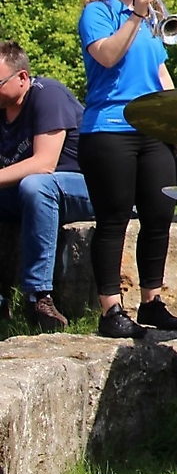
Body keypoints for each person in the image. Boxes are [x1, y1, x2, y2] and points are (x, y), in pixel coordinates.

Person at [76, 0, 177, 338]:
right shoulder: (98, 12)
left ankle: (151, 301)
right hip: (109, 127)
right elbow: (107, 55)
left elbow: (160, 71)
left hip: (152, 128)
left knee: (159, 214)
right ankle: (110, 311)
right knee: (114, 218)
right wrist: (135, 15)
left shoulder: (154, 17)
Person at [0, 41, 94, 331]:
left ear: (22, 78)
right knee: (33, 188)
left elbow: (44, 163)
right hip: (35, 192)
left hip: (87, 188)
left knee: (36, 186)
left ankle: (38, 297)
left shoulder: (48, 95)